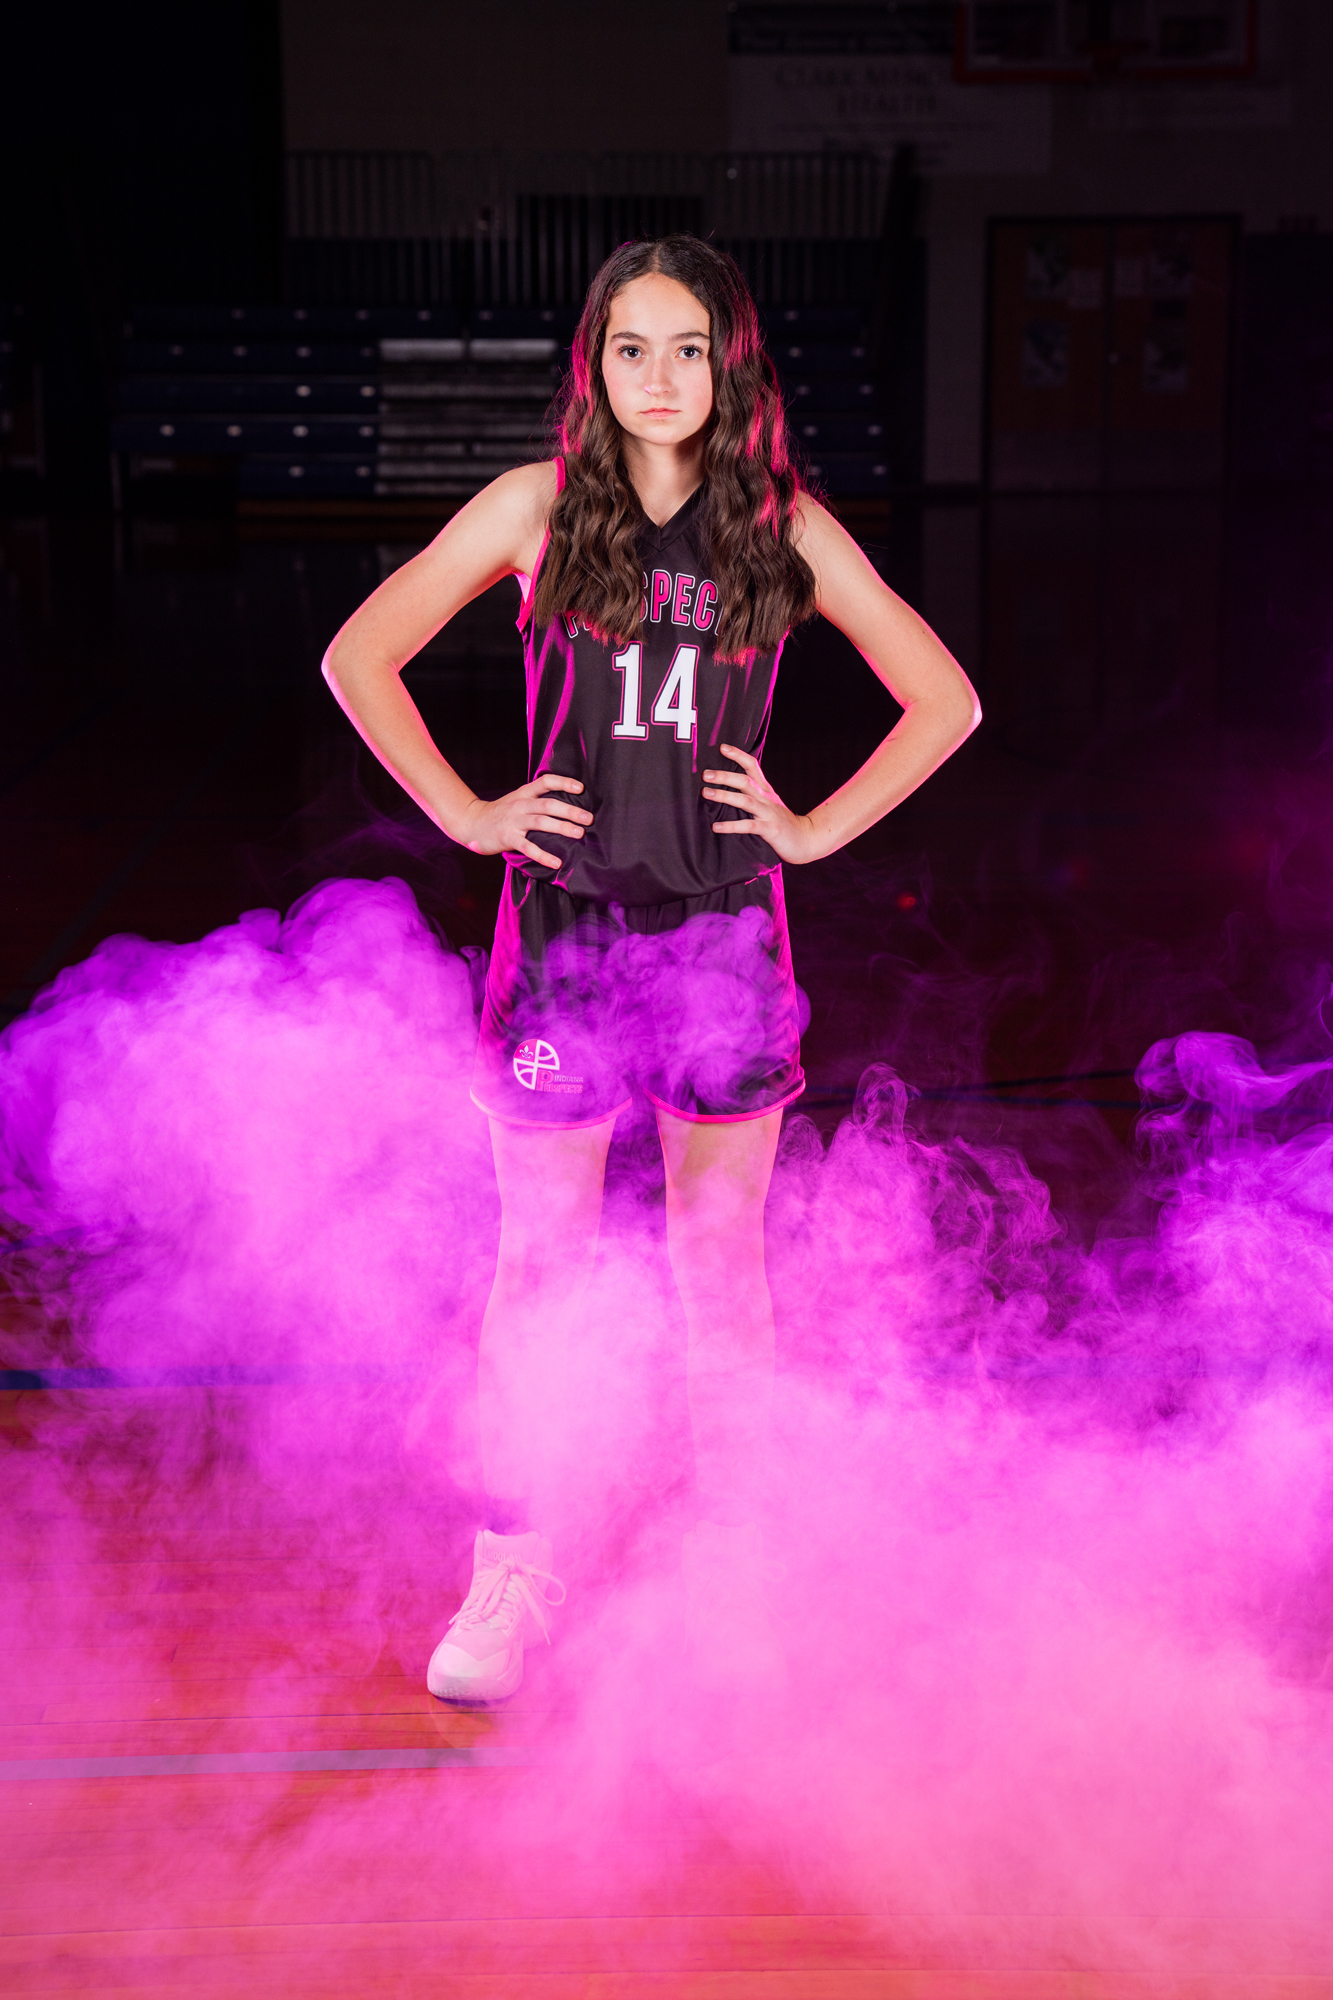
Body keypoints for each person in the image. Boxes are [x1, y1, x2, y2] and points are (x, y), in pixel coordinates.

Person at [322, 235, 979, 1702]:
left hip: (721, 942)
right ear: (596, 365)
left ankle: (740, 1575)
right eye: (633, 348)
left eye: (689, 348)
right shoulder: (535, 508)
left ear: (730, 365)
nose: (661, 376)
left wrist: (810, 831)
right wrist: (467, 812)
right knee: (538, 1265)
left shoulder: (783, 529)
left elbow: (944, 697)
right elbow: (360, 654)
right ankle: (511, 1570)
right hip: (560, 938)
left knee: (719, 1269)